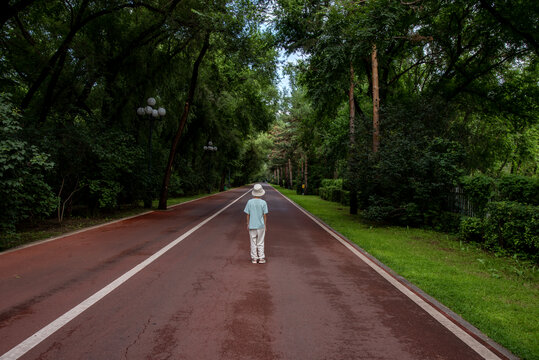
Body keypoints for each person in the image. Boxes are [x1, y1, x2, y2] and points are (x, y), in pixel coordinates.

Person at [243, 184, 268, 264]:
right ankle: (261, 258)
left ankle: (254, 258)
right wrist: (265, 225)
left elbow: (248, 214)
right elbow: (264, 215)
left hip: (252, 225)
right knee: (260, 242)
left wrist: (248, 224)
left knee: (253, 242)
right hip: (261, 225)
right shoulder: (263, 202)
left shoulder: (249, 202)